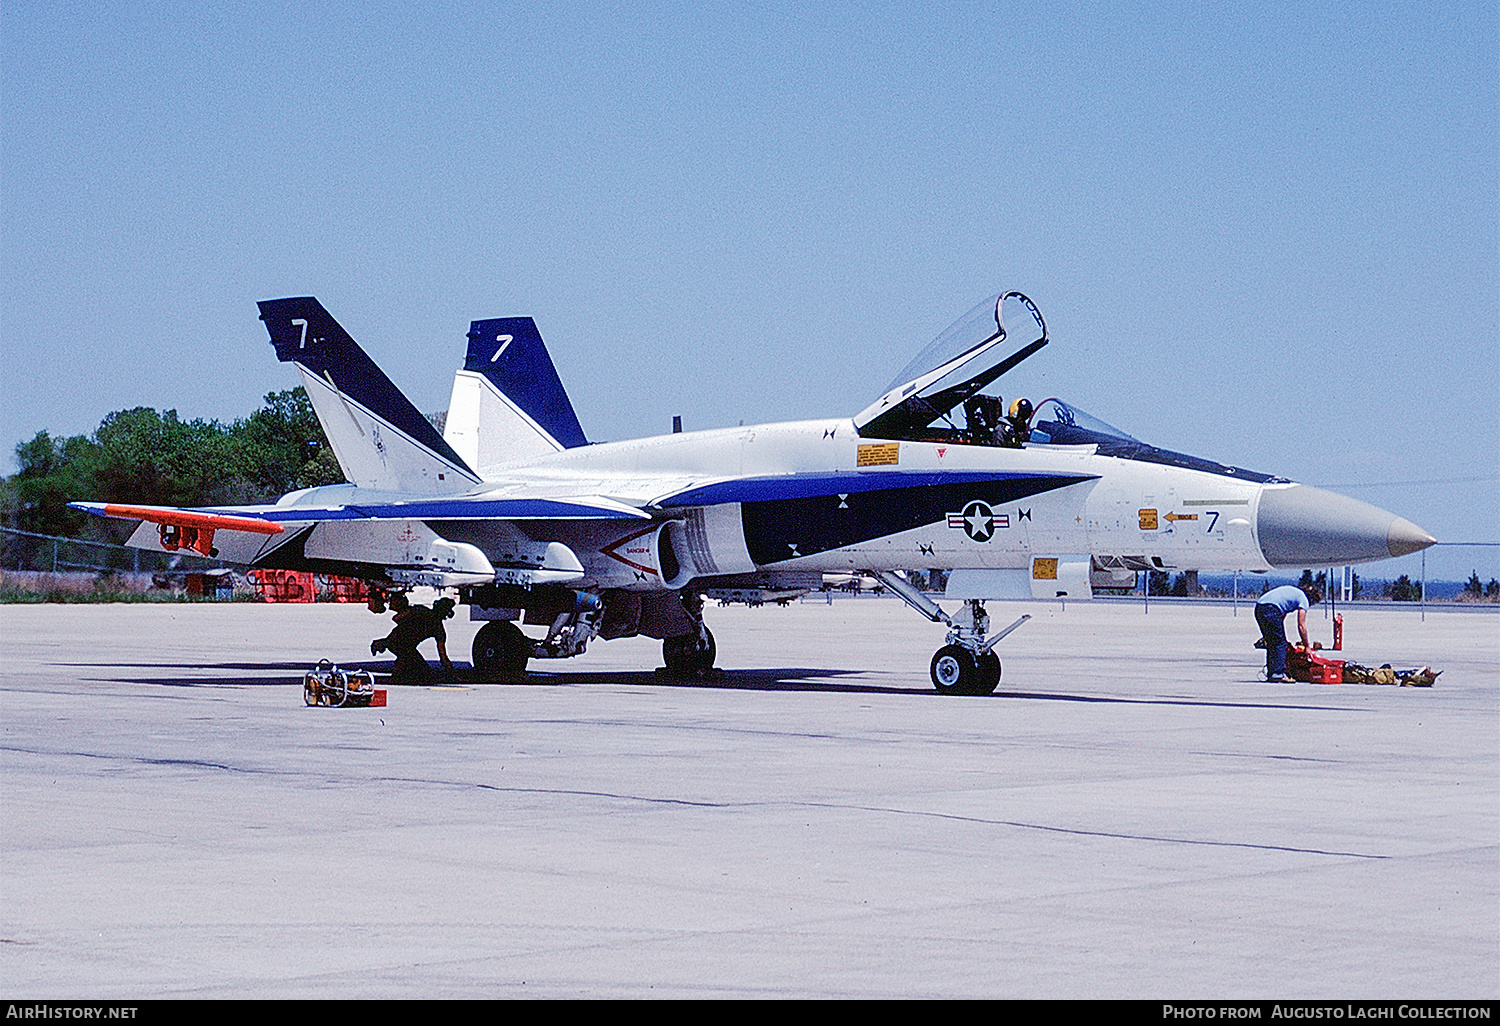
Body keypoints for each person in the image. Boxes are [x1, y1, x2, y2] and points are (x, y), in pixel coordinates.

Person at [371, 593, 456, 682]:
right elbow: (443, 656)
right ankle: (398, 674)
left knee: (414, 663)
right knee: (424, 673)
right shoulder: (438, 628)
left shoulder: (421, 610)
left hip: (397, 642)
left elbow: (396, 618)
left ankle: (399, 670)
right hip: (400, 644)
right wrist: (451, 672)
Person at [1254, 584, 1321, 682]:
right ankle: (1279, 674)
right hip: (1271, 609)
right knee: (1280, 644)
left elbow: (1281, 616)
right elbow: (1301, 625)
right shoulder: (1304, 599)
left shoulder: (1294, 593)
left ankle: (1272, 673)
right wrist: (1307, 646)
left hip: (1260, 607)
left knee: (1272, 642)